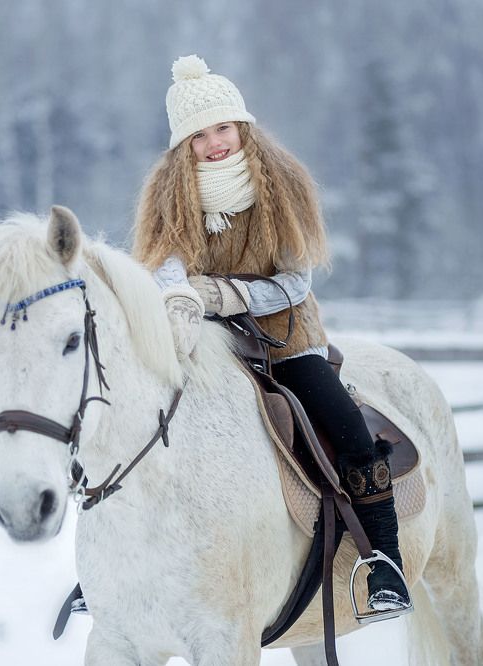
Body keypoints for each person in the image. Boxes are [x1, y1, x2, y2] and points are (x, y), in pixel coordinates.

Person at [130, 54, 411, 614]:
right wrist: (181, 299)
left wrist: (227, 295)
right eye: (200, 135)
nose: (214, 144)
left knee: (346, 426)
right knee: (137, 416)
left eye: (223, 128)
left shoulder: (279, 182)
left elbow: (295, 281)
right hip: (206, 338)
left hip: (283, 335)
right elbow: (164, 264)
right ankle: (117, 565)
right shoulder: (167, 192)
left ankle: (385, 563)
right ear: (182, 143)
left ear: (241, 125)